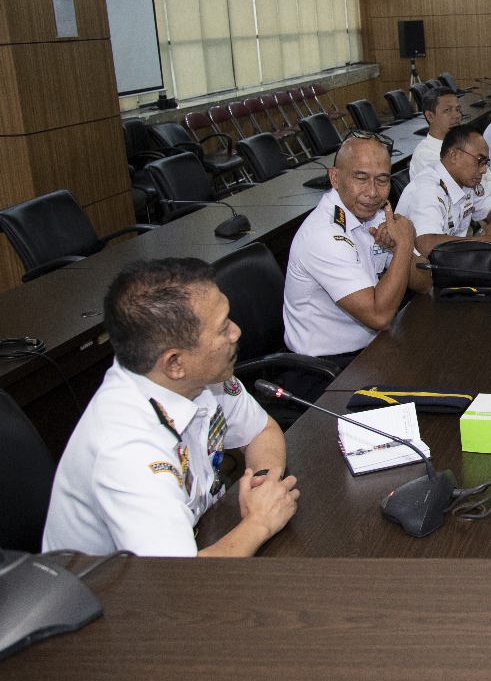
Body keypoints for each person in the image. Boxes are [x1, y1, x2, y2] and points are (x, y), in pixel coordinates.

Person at [42, 259, 299, 557]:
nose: (236, 332)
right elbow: (178, 581)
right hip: (110, 595)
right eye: (223, 328)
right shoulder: (125, 448)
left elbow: (261, 431)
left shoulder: (200, 379)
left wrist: (263, 482)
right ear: (175, 363)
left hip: (195, 543)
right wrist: (260, 523)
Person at [283, 133, 430, 376]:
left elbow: (426, 282)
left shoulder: (376, 215)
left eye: (382, 180)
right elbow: (379, 316)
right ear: (335, 178)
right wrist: (404, 246)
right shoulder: (324, 235)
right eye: (361, 179)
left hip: (372, 348)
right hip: (325, 370)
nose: (372, 192)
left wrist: (396, 249)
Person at [398, 126, 491, 257]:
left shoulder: (466, 181)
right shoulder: (427, 189)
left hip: (454, 260)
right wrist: (490, 240)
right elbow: (426, 244)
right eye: (480, 161)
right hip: (423, 270)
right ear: (454, 155)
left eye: (486, 163)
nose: (484, 170)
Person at [409, 87, 491, 198]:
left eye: (458, 109)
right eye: (447, 110)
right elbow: (459, 191)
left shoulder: (463, 142)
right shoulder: (426, 154)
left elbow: (486, 176)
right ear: (430, 116)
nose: (456, 115)